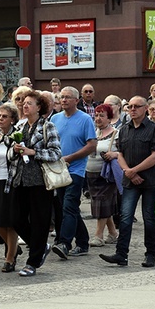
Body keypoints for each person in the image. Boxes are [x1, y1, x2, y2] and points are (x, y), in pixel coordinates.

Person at [99, 96, 155, 268]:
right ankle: (121, 254)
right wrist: (128, 171)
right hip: (129, 180)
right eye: (130, 106)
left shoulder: (154, 129)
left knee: (149, 217)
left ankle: (150, 254)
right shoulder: (124, 129)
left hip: (149, 180)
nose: (133, 109)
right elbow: (120, 154)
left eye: (137, 106)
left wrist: (134, 170)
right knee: (126, 217)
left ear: (145, 108)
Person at [11, 90, 62, 277]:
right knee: (16, 219)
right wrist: (15, 151)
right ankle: (40, 247)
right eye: (24, 103)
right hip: (20, 179)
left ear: (39, 107)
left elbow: (56, 153)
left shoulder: (47, 127)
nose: (25, 106)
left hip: (41, 181)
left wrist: (34, 152)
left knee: (40, 222)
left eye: (29, 103)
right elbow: (12, 153)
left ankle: (32, 262)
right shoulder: (20, 126)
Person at [51, 86, 97, 259]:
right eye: (61, 97)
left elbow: (91, 145)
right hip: (57, 170)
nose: (63, 100)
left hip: (76, 170)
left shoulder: (85, 119)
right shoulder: (55, 119)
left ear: (76, 100)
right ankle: (83, 242)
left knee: (69, 206)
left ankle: (64, 243)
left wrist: (70, 158)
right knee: (67, 208)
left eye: (67, 97)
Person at [0, 103, 22, 272]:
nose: (0, 119)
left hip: (11, 181)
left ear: (12, 119)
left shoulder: (17, 135)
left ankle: (10, 258)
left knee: (10, 222)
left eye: (4, 116)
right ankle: (12, 247)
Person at [85, 104, 120, 247]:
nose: (98, 118)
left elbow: (123, 153)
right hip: (91, 172)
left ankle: (98, 235)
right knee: (101, 203)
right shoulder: (93, 133)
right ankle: (113, 233)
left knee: (101, 201)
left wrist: (114, 154)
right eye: (97, 115)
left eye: (102, 115)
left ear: (109, 118)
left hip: (107, 174)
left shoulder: (116, 133)